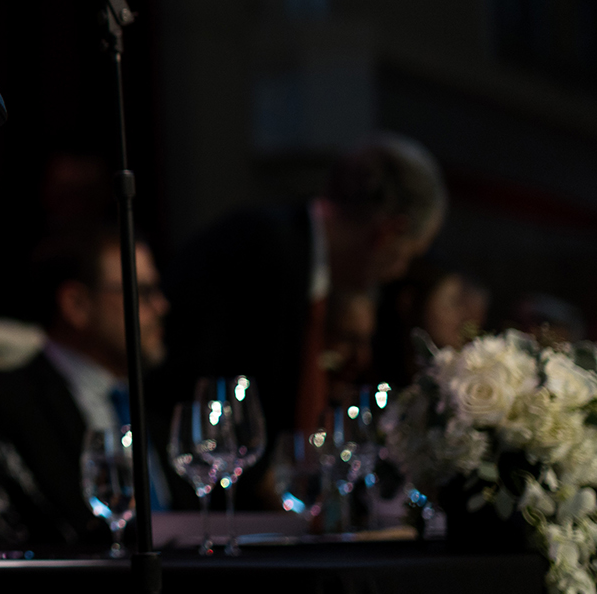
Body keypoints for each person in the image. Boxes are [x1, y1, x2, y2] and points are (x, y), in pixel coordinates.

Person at [159, 134, 447, 438]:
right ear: (388, 233)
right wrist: (260, 474)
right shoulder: (261, 247)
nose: (398, 271)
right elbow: (190, 384)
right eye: (408, 255)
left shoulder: (297, 257)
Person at [0, 226, 171, 549]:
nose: (161, 306)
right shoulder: (3, 408)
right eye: (142, 292)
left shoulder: (158, 403)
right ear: (76, 304)